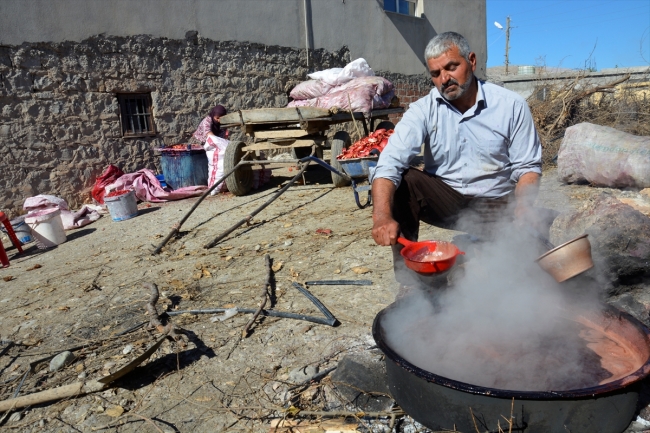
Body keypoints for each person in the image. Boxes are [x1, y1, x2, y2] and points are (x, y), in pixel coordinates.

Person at [369, 32, 542, 289]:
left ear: (471, 61)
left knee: (537, 257)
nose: (444, 79)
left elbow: (528, 167)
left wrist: (525, 205)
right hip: (447, 202)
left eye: (452, 67)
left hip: (497, 205)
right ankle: (412, 283)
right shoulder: (423, 110)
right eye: (436, 73)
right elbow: (388, 163)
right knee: (404, 179)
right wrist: (381, 216)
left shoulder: (510, 105)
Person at [193, 105, 231, 194]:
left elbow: (223, 138)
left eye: (221, 118)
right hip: (201, 142)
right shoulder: (207, 121)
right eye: (217, 118)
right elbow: (209, 135)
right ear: (213, 115)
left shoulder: (223, 123)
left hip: (213, 146)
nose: (218, 120)